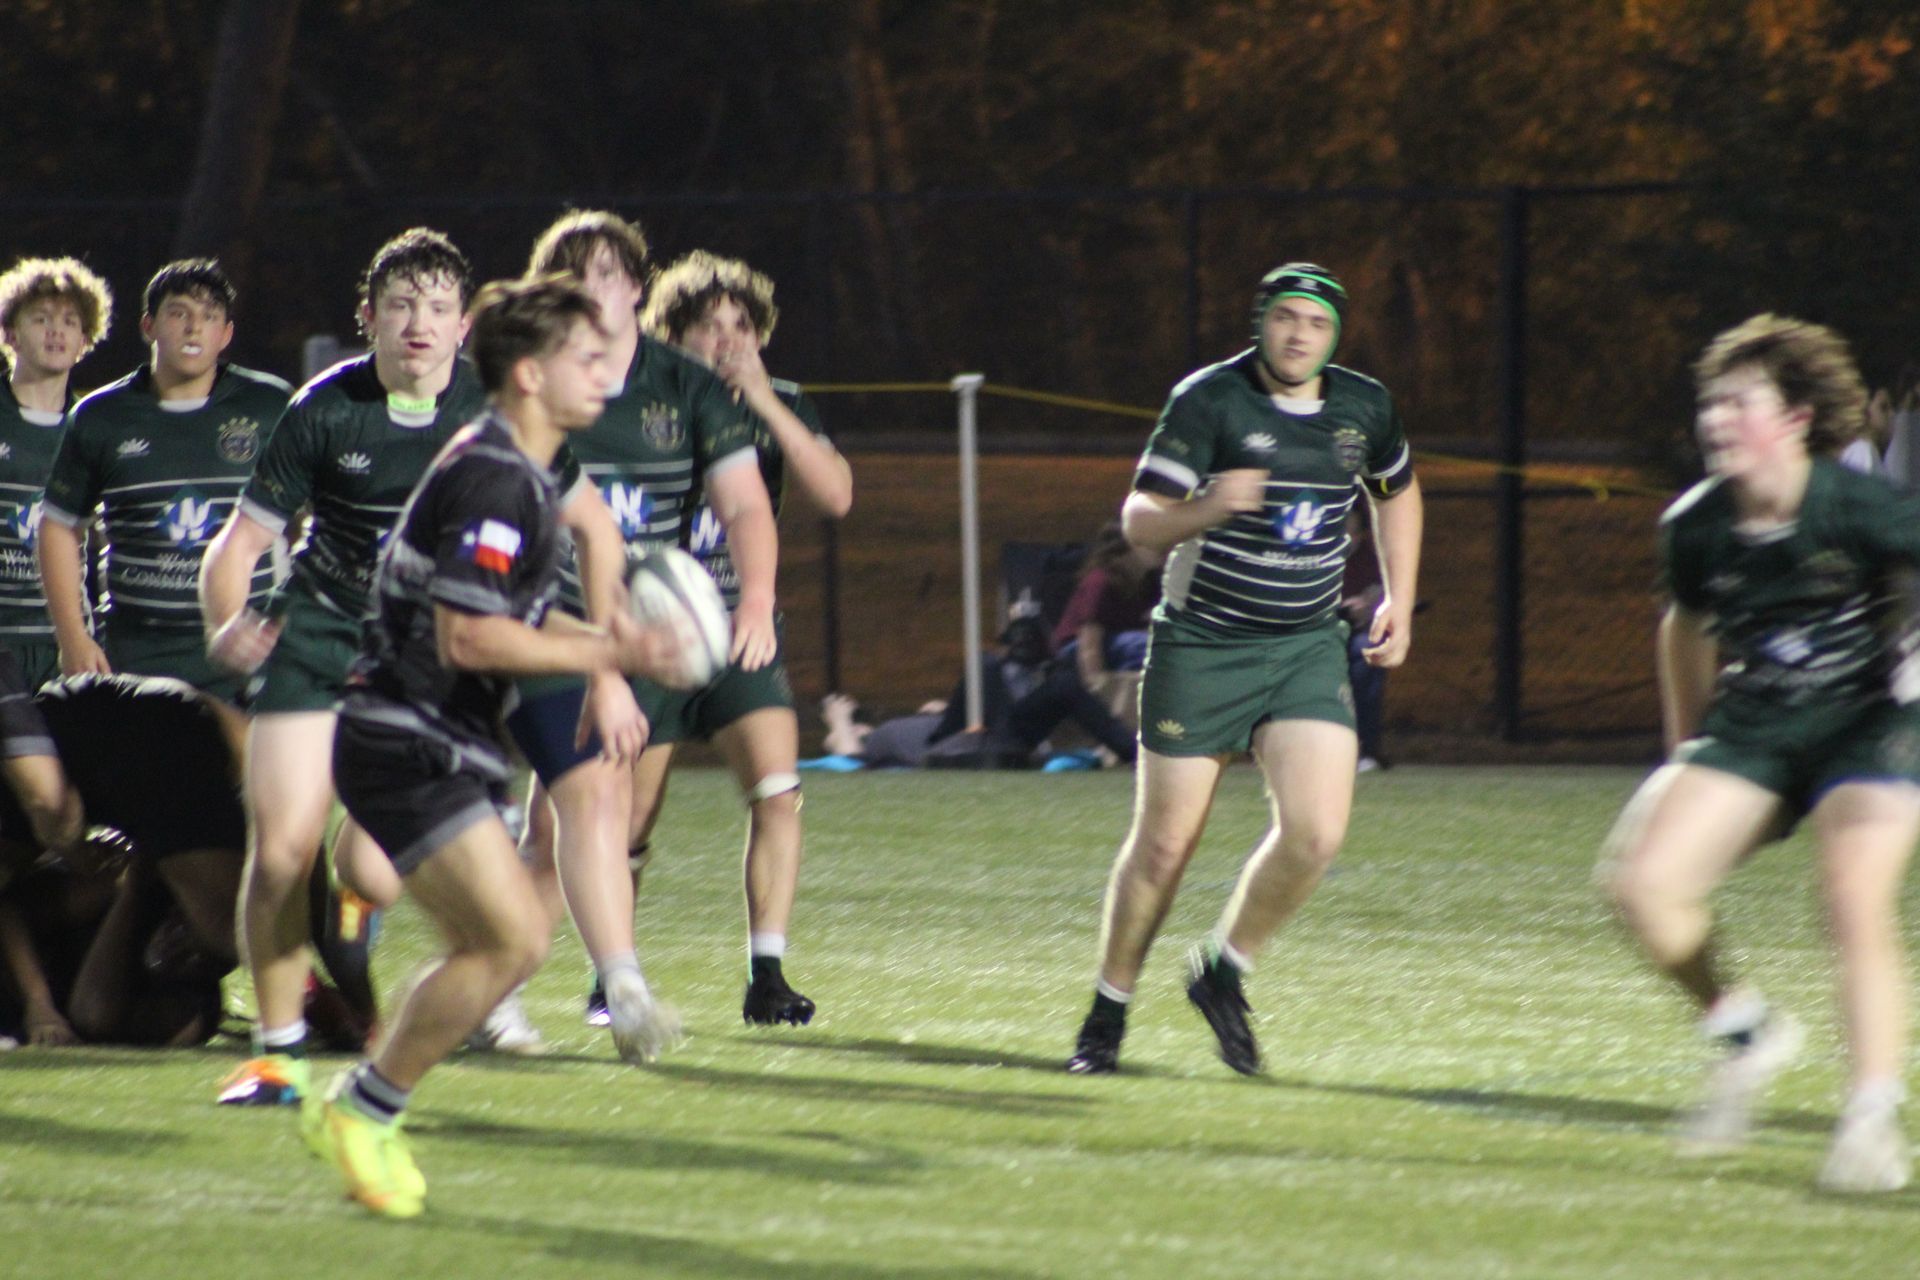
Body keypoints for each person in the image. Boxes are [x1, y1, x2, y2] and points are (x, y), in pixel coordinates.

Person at [199, 228, 627, 1104]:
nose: (417, 324)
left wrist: (610, 664)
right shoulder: (326, 408)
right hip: (321, 638)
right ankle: (278, 1056)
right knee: (282, 851)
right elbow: (238, 545)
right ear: (368, 318)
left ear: (464, 324)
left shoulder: (504, 407)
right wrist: (226, 620)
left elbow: (598, 527)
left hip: (422, 669)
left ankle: (412, 998)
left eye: (436, 307)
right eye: (399, 305)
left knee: (374, 872)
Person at [312, 272, 682, 1219]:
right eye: (584, 359)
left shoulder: (524, 465)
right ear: (527, 374)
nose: (605, 372)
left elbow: (513, 611)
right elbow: (466, 638)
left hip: (434, 742)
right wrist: (613, 648)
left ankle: (364, 1095)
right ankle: (364, 1107)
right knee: (510, 940)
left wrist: (610, 652)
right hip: (406, 739)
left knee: (502, 947)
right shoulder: (494, 477)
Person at [1066, 262, 1422, 1076]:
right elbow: (1140, 523)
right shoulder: (1210, 399)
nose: (1300, 334)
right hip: (1202, 645)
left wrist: (1399, 596)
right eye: (1286, 318)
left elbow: (1397, 491)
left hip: (1304, 645)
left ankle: (1223, 971)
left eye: (1317, 323)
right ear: (1261, 322)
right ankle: (1106, 1015)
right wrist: (1212, 505)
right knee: (1164, 847)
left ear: (1335, 336)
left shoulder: (1364, 405)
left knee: (1317, 832)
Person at [1601, 314, 1920, 1194]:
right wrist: (1688, 750)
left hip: (1870, 721)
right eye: (1709, 404)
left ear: (1796, 418)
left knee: (1852, 893)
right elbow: (1687, 628)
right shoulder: (1696, 527)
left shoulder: (1861, 506)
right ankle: (1744, 1032)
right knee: (1639, 887)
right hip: (1758, 726)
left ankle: (1869, 1120)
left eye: (1739, 402)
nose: (1714, 420)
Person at [496, 213, 778, 1061]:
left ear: (637, 289)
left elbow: (745, 505)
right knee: (589, 803)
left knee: (570, 822)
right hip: (536, 630)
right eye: (575, 276)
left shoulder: (680, 387)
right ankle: (612, 987)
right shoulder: (528, 391)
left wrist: (756, 600)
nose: (595, 291)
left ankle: (500, 986)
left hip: (631, 633)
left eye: (611, 274)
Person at [607, 249, 851, 1026]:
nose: (726, 339)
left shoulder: (778, 401)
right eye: (707, 326)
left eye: (740, 326)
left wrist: (767, 404)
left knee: (780, 794)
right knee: (630, 820)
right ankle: (614, 972)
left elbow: (837, 494)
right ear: (669, 332)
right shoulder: (639, 399)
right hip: (650, 632)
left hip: (741, 624)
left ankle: (768, 973)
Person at [38, 259, 290, 726]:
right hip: (137, 656)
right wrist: (73, 638)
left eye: (210, 315)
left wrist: (297, 623)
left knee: (246, 794)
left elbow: (320, 518)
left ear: (227, 334)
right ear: (149, 326)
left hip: (243, 658)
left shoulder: (272, 406)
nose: (195, 325)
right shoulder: (101, 416)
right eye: (179, 313)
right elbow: (57, 525)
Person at [0, 256, 114, 691]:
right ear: (10, 333)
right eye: (41, 319)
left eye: (69, 321)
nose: (56, 330)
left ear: (85, 340)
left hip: (68, 645)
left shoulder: (98, 426)